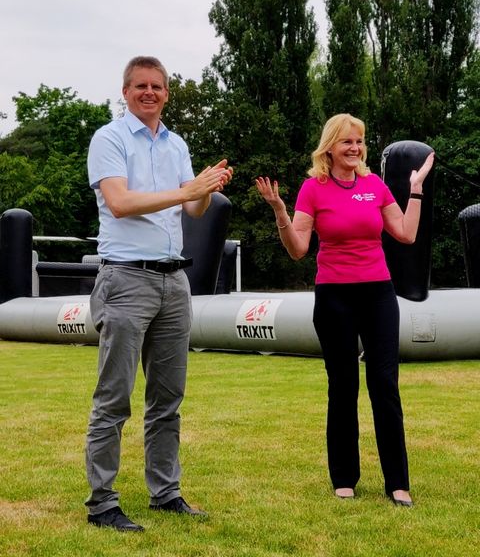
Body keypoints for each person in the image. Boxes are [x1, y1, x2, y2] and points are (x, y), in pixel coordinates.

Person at [256, 113, 434, 507]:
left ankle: (397, 483)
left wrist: (415, 189)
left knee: (384, 386)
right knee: (343, 388)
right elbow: (299, 249)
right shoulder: (313, 189)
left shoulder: (375, 186)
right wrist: (280, 213)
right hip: (334, 296)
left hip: (378, 294)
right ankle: (344, 477)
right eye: (346, 142)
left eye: (359, 142)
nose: (354, 148)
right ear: (330, 148)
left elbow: (405, 233)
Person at [85, 55, 232, 532]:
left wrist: (206, 188)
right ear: (125, 92)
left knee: (167, 399)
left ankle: (165, 493)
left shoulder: (176, 145)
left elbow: (192, 209)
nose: (149, 92)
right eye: (140, 86)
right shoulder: (108, 138)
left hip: (174, 282)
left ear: (167, 93)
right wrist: (186, 188)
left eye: (157, 86)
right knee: (115, 398)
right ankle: (102, 502)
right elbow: (121, 203)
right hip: (126, 280)